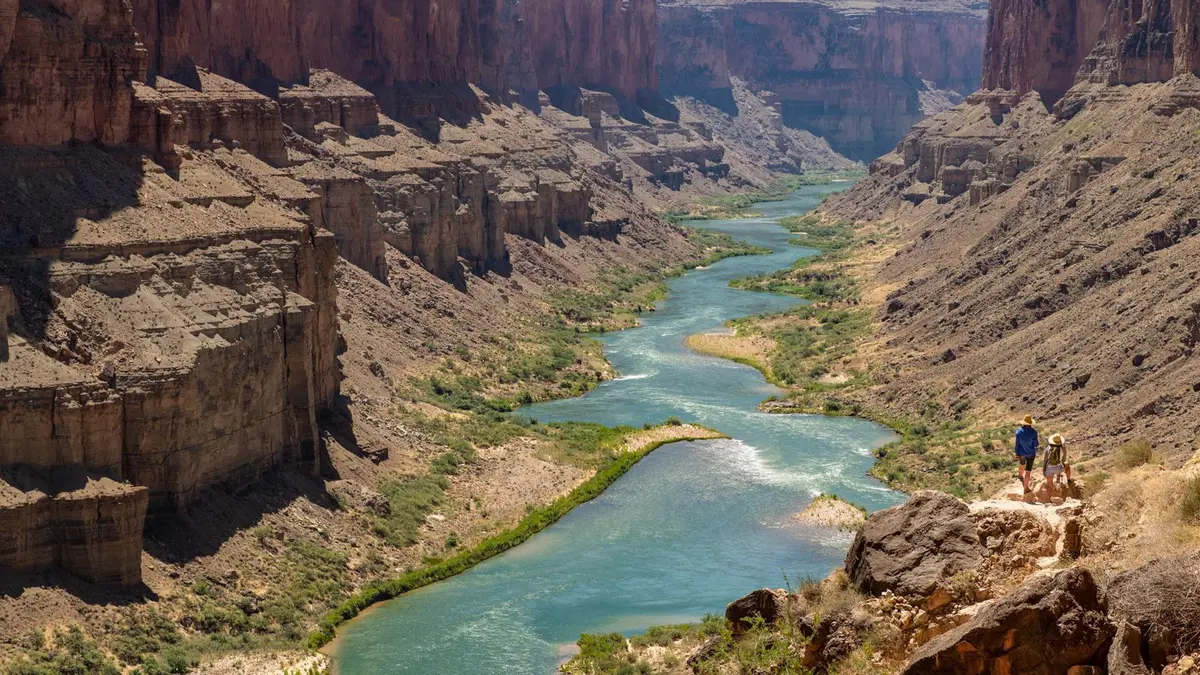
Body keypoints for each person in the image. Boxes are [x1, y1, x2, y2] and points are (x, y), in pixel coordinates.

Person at [1014, 415, 1039, 493]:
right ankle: (1026, 488)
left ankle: (1020, 476)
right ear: (1030, 423)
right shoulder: (1034, 432)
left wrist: (1016, 453)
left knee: (1022, 464)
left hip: (1021, 453)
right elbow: (1036, 444)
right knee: (1028, 471)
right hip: (1031, 453)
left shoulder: (1018, 432)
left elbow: (1017, 444)